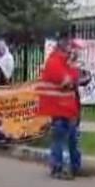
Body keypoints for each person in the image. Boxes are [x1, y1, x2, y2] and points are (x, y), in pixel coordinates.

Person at [38, 37, 83, 179]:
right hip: (59, 108)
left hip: (66, 108)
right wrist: (74, 74)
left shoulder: (63, 62)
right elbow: (67, 82)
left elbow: (74, 79)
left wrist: (75, 70)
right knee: (61, 139)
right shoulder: (55, 62)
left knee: (71, 139)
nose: (72, 51)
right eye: (70, 48)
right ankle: (59, 167)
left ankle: (73, 166)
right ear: (63, 49)